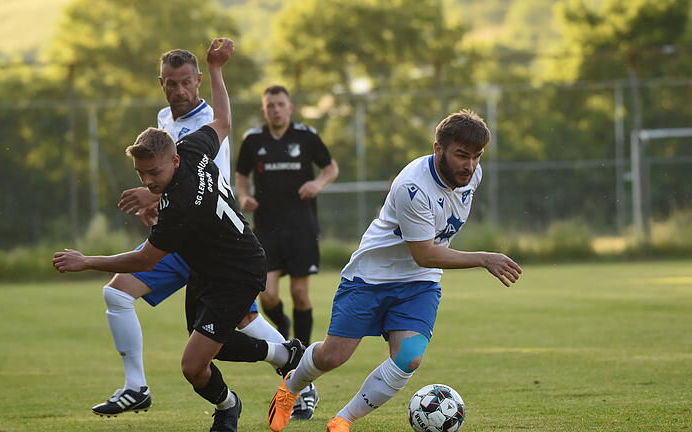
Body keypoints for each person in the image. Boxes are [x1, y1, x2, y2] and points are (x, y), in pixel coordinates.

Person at [54, 38, 273, 432]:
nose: (177, 90)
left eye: (185, 82)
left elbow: (195, 193)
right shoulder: (169, 127)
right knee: (210, 332)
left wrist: (88, 259)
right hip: (187, 239)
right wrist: (156, 196)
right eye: (170, 83)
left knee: (216, 334)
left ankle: (290, 365)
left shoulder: (197, 134)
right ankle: (143, 386)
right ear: (161, 83)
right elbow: (210, 138)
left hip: (212, 243)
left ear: (198, 81)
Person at [266, 110, 523, 432]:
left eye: (476, 157)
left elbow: (423, 264)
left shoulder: (473, 174)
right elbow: (425, 254)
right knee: (333, 357)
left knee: (410, 356)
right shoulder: (413, 187)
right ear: (437, 149)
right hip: (370, 276)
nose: (469, 166)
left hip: (419, 282)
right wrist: (484, 258)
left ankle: (343, 419)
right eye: (461, 156)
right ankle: (291, 386)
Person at [236, 86, 338, 420]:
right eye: (270, 106)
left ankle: (302, 357)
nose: (276, 110)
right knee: (267, 296)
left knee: (300, 293)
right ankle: (287, 340)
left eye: (280, 105)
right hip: (266, 230)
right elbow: (240, 175)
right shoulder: (253, 140)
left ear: (290, 107)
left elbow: (330, 168)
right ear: (264, 110)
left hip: (301, 228)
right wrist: (244, 195)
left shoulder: (306, 136)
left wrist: (317, 185)